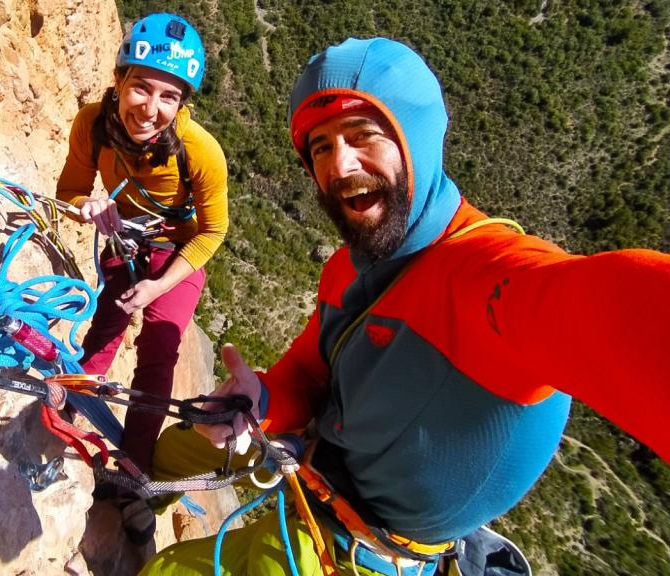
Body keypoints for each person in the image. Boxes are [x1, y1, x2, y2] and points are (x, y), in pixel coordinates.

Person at [141, 37, 670, 575]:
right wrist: (263, 398)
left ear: (416, 139)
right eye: (320, 147)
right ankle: (131, 504)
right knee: (175, 451)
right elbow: (310, 369)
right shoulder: (350, 267)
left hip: (367, 549)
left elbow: (610, 308)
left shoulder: (487, 277)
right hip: (314, 471)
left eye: (363, 135)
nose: (341, 165)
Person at [56, 13, 229, 543]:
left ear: (183, 103)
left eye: (168, 97)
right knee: (106, 325)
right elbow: (68, 193)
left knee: (158, 352)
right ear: (119, 81)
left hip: (177, 255)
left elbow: (212, 232)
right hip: (125, 240)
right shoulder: (91, 123)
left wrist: (158, 287)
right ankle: (70, 403)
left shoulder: (200, 152)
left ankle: (132, 473)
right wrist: (87, 206)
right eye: (141, 89)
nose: (150, 110)